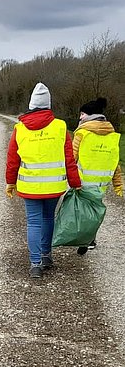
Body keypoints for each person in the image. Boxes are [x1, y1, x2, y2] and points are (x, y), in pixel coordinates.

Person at [5, 83, 81, 279]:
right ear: (48, 105)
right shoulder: (60, 127)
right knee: (48, 218)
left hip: (29, 186)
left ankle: (35, 263)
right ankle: (46, 255)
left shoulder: (19, 129)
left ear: (31, 105)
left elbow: (13, 160)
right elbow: (69, 158)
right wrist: (75, 182)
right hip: (54, 186)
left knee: (33, 222)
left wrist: (10, 182)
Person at [72, 97, 122, 255]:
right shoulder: (111, 133)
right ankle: (90, 239)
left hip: (83, 180)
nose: (80, 117)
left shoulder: (82, 132)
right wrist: (118, 184)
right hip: (101, 182)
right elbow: (115, 161)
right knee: (93, 211)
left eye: (82, 114)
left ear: (88, 115)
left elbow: (73, 157)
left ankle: (82, 239)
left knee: (80, 211)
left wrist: (67, 175)